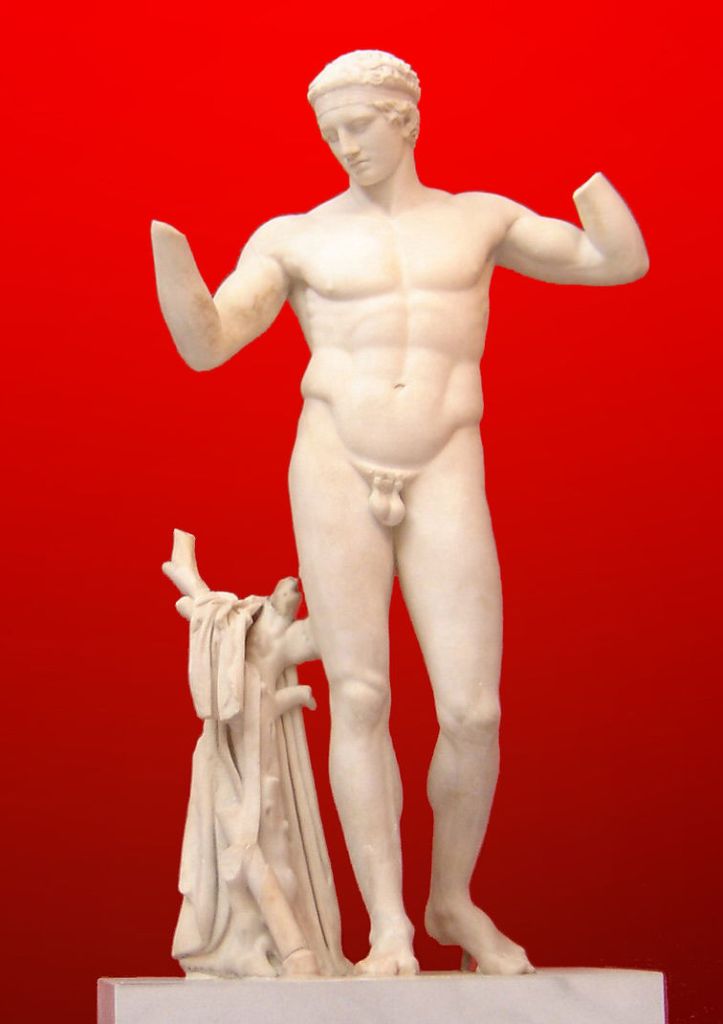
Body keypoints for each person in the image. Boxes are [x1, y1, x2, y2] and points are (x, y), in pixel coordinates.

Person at [151, 49, 649, 976]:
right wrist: (173, 266)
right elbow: (211, 342)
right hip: (334, 458)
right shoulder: (294, 238)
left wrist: (590, 187)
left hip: (445, 456)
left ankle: (451, 899)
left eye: (358, 127)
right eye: (329, 133)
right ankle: (386, 926)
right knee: (359, 694)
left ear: (406, 120)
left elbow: (614, 262)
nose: (345, 146)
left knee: (471, 710)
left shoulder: (478, 219)